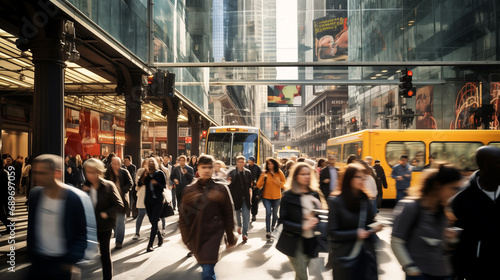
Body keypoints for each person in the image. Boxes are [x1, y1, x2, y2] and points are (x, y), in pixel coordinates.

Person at [26, 154, 96, 280]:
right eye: (35, 172)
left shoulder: (76, 198)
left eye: (42, 173)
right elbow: (32, 227)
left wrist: (70, 261)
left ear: (57, 173)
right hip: (38, 262)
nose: (37, 177)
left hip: (62, 264)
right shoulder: (35, 195)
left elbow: (84, 234)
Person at [392, 164, 462, 280]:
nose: (455, 193)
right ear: (437, 185)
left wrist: (450, 239)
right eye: (453, 188)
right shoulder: (411, 207)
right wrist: (411, 269)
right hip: (420, 275)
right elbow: (396, 241)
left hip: (443, 273)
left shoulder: (443, 211)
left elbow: (440, 247)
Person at [179, 155, 237, 280]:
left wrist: (230, 236)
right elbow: (183, 216)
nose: (206, 170)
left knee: (207, 271)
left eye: (209, 167)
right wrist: (186, 238)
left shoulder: (221, 188)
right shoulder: (189, 190)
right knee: (206, 268)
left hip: (214, 235)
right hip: (196, 235)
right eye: (203, 167)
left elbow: (228, 213)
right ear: (198, 169)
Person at [451, 146, 500, 280]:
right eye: (499, 163)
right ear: (486, 165)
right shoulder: (461, 199)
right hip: (476, 271)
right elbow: (455, 243)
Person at [328, 163, 383, 280]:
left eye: (363, 176)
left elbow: (369, 223)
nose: (362, 179)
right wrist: (356, 233)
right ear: (349, 179)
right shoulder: (336, 201)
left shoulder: (366, 200)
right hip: (345, 256)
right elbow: (333, 233)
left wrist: (376, 226)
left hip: (366, 256)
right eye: (358, 176)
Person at [276, 162, 325, 280]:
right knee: (302, 274)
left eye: (308, 174)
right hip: (292, 241)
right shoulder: (288, 196)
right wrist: (302, 226)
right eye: (303, 174)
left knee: (302, 274)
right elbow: (282, 221)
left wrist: (316, 220)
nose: (306, 177)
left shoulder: (314, 193)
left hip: (310, 240)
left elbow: (318, 215)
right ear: (296, 176)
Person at [82, 158, 124, 280]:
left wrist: (107, 213)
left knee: (105, 254)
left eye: (92, 172)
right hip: (88, 226)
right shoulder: (84, 187)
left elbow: (119, 205)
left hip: (104, 226)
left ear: (98, 171)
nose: (89, 175)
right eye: (87, 172)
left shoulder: (108, 186)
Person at [104, 157, 133, 249]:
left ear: (120, 164)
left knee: (120, 221)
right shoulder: (107, 173)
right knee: (113, 221)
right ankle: (117, 234)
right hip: (111, 202)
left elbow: (130, 184)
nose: (114, 165)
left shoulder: (124, 172)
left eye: (116, 164)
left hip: (122, 201)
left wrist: (122, 190)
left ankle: (119, 241)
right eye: (113, 163)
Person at [140, 158, 166, 252]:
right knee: (152, 221)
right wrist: (144, 175)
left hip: (158, 200)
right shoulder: (145, 173)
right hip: (148, 201)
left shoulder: (160, 173)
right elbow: (140, 183)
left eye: (152, 162)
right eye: (149, 162)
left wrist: (157, 184)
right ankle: (160, 236)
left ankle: (150, 245)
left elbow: (164, 186)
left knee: (154, 221)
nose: (150, 163)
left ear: (155, 164)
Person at [256, 157, 286, 239]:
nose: (270, 165)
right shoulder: (264, 173)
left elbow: (285, 184)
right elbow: (258, 185)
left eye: (271, 163)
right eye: (268, 164)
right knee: (268, 212)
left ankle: (273, 226)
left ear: (275, 164)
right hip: (266, 197)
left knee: (275, 214)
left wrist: (279, 183)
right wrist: (262, 177)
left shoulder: (279, 172)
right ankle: (268, 231)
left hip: (277, 196)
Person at [227, 156, 253, 242]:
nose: (241, 163)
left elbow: (250, 185)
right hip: (236, 197)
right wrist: (229, 181)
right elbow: (229, 185)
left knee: (246, 216)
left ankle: (245, 233)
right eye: (239, 162)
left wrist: (250, 195)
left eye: (242, 162)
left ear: (245, 163)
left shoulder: (248, 172)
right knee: (237, 214)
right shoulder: (232, 172)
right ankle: (239, 226)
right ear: (237, 163)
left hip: (245, 197)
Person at [133, 159, 149, 240]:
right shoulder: (140, 170)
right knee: (141, 214)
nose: (147, 165)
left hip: (150, 197)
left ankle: (156, 231)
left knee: (152, 217)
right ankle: (137, 232)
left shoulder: (153, 172)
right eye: (145, 163)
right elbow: (137, 182)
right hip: (142, 195)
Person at [245, 156, 262, 222]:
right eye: (249, 160)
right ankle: (246, 214)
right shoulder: (246, 167)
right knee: (247, 201)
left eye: (251, 161)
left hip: (255, 187)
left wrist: (257, 184)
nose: (249, 162)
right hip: (247, 187)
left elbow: (260, 177)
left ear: (254, 161)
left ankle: (254, 214)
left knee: (255, 201)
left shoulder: (257, 168)